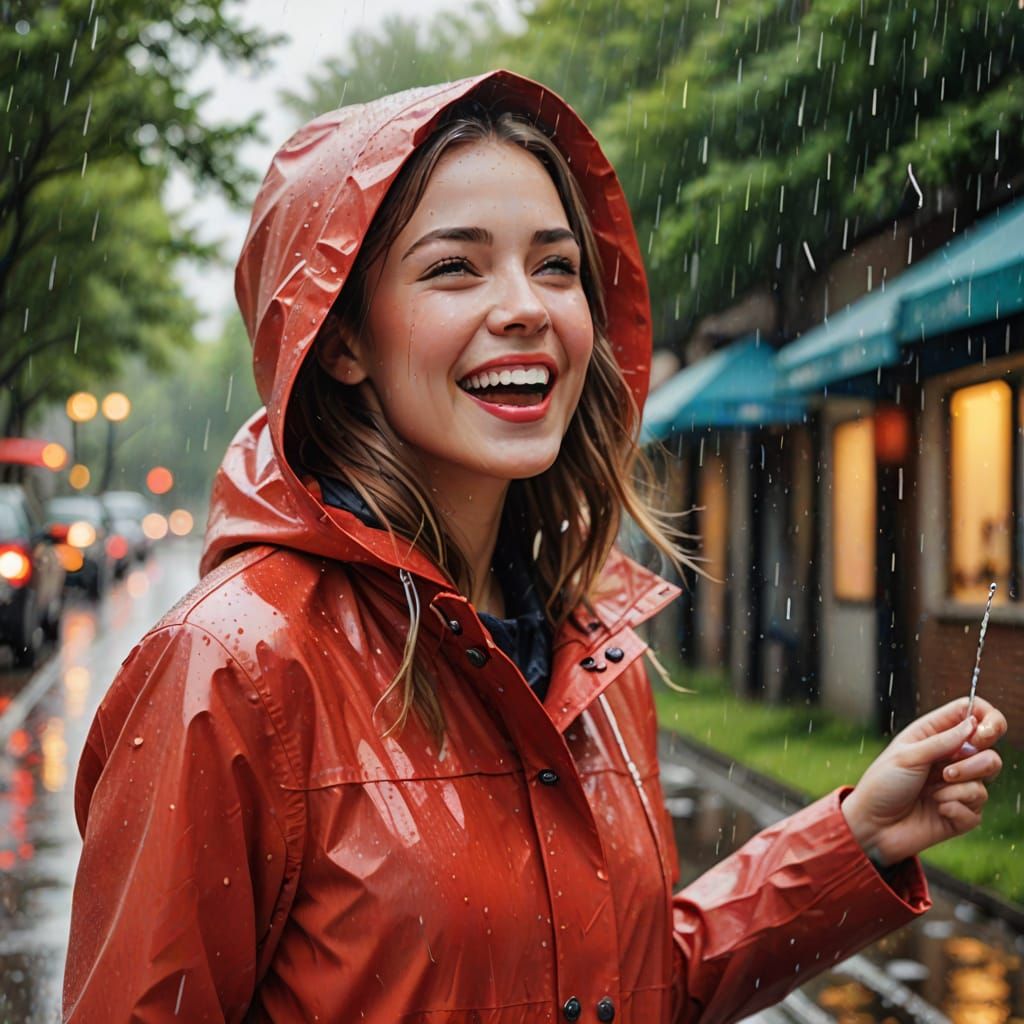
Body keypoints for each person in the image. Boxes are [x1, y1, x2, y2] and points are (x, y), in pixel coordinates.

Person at [63, 71, 1006, 1024]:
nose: (526, 307)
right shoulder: (231, 671)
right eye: (454, 268)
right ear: (340, 338)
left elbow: (627, 989)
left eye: (555, 266)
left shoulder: (591, 654)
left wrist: (857, 841)